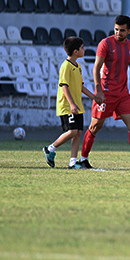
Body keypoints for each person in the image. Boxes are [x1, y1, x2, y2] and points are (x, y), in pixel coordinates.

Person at [80, 15, 130, 170]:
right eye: (116, 29)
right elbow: (96, 67)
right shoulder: (105, 43)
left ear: (129, 30)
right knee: (96, 126)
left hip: (123, 93)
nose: (118, 33)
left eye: (122, 30)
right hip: (106, 92)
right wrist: (99, 90)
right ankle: (82, 159)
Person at [43, 36, 101, 169]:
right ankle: (50, 148)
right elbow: (64, 86)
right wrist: (72, 104)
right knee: (73, 131)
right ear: (76, 51)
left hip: (77, 105)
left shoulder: (78, 66)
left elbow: (80, 86)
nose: (84, 49)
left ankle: (73, 163)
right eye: (82, 47)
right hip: (68, 105)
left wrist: (94, 97)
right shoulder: (66, 66)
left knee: (78, 133)